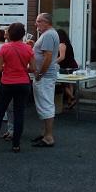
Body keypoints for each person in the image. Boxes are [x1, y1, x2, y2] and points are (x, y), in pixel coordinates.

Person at [0, 22, 35, 153]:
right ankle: (16, 145)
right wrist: (21, 69)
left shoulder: (4, 48)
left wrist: (9, 67)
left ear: (9, 34)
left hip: (7, 83)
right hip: (23, 83)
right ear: (23, 34)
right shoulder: (28, 48)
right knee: (19, 114)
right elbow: (33, 68)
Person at [31, 13, 60, 147]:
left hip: (45, 76)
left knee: (46, 104)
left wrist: (40, 73)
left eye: (39, 21)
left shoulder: (48, 35)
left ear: (47, 22)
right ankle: (45, 133)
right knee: (44, 104)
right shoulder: (49, 34)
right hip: (46, 75)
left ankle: (48, 137)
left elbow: (48, 57)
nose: (36, 24)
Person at [56, 29, 78, 109]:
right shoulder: (68, 43)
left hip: (67, 67)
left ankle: (72, 97)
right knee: (70, 83)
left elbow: (62, 57)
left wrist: (52, 62)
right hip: (72, 65)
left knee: (63, 83)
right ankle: (70, 102)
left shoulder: (61, 44)